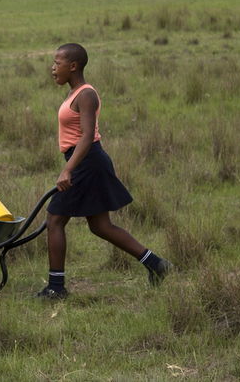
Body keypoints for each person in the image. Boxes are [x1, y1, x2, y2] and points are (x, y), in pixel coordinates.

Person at [38, 43, 171, 299]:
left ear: (73, 66)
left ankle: (56, 287)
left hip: (87, 162)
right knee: (100, 226)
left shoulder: (86, 95)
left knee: (54, 221)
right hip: (84, 161)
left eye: (58, 63)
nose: (53, 68)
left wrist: (68, 170)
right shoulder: (74, 92)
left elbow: (87, 137)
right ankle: (157, 265)